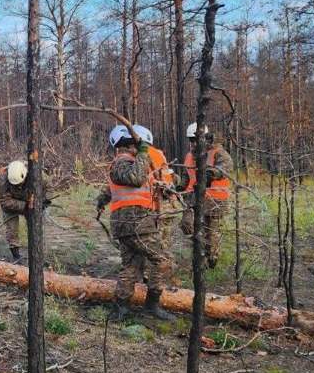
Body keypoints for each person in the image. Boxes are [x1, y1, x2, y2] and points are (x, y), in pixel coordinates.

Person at [95, 125, 173, 320]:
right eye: (141, 145)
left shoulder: (129, 163)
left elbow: (110, 190)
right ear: (131, 144)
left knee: (132, 265)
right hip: (136, 223)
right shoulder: (122, 162)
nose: (143, 148)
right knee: (161, 260)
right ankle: (151, 305)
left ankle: (121, 308)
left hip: (131, 224)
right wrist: (144, 153)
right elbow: (136, 178)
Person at [179, 123, 234, 268]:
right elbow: (186, 177)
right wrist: (178, 187)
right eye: (191, 140)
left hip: (215, 199)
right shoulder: (190, 156)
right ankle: (199, 257)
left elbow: (226, 168)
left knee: (212, 232)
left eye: (195, 139)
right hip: (193, 199)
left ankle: (212, 259)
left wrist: (209, 173)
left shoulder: (218, 152)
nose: (193, 143)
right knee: (188, 225)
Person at [133, 125, 181, 251]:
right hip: (169, 202)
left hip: (159, 204)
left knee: (157, 244)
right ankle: (163, 265)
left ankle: (163, 267)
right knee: (163, 241)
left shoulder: (143, 155)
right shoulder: (158, 153)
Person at [0, 160, 54, 264]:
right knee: (12, 230)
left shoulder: (36, 173)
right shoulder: (2, 179)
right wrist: (25, 206)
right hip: (11, 205)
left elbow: (49, 188)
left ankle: (37, 253)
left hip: (31, 201)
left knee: (36, 227)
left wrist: (44, 201)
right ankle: (16, 256)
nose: (18, 185)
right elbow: (4, 201)